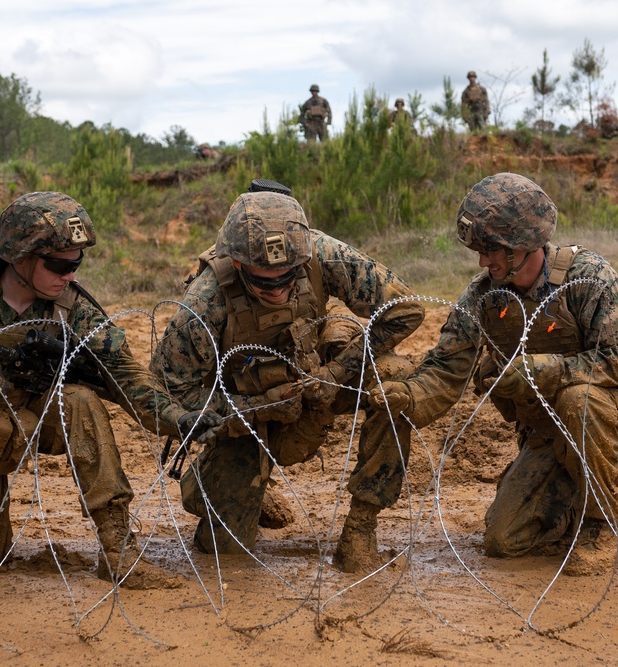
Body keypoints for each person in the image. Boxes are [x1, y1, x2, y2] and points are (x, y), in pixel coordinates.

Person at [369, 173, 618, 576]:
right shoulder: (484, 299)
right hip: (548, 433)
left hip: (610, 420)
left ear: (525, 243)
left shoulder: (588, 278)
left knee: (578, 397)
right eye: (479, 250)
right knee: (503, 541)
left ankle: (603, 524)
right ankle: (574, 492)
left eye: (492, 249)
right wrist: (409, 396)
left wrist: (544, 371)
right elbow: (446, 367)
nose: (482, 261)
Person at [0, 191, 219, 588]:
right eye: (59, 264)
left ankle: (118, 549)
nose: (70, 274)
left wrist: (178, 419)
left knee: (81, 400)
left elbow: (125, 375)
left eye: (76, 263)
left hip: (38, 413)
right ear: (21, 255)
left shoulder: (73, 308)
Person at [151, 181, 425, 573]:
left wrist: (337, 371)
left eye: (288, 277)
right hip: (248, 420)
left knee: (397, 379)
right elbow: (164, 399)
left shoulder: (321, 253)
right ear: (239, 265)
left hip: (323, 383)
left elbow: (406, 309)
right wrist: (259, 406)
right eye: (265, 281)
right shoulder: (206, 300)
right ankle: (206, 485)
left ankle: (362, 525)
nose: (279, 289)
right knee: (224, 552)